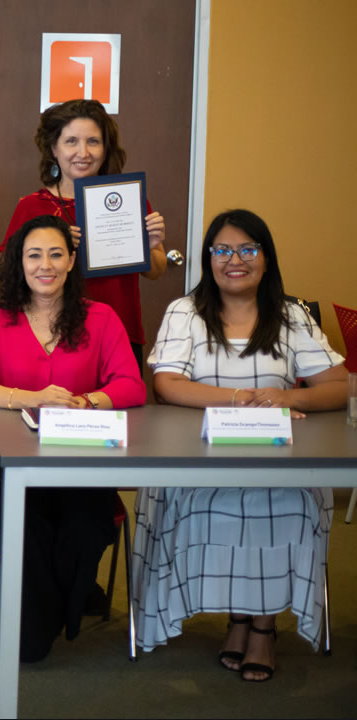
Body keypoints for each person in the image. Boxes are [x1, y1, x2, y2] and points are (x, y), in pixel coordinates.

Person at [133, 209, 347, 682]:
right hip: (198, 461)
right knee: (204, 502)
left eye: (248, 249)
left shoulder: (292, 316)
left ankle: (262, 627)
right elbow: (167, 385)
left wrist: (287, 395)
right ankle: (239, 617)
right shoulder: (184, 312)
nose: (235, 260)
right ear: (208, 259)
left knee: (286, 505)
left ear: (266, 260)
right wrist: (240, 400)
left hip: (278, 461)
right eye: (223, 250)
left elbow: (339, 385)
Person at [0, 214, 145, 662]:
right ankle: (40, 627)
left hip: (83, 467)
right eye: (34, 254)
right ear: (19, 263)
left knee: (85, 528)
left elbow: (131, 385)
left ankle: (43, 618)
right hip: (11, 467)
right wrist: (31, 397)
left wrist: (89, 401)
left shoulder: (101, 318)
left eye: (56, 254)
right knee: (27, 528)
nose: (46, 265)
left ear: (72, 259)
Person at [1, 99, 167, 371]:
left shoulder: (128, 199)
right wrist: (56, 247)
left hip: (118, 334)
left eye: (93, 141)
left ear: (106, 147)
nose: (83, 152)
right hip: (49, 338)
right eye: (71, 142)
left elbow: (156, 270)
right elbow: (11, 278)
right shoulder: (32, 206)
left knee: (118, 408)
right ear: (54, 148)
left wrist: (148, 247)